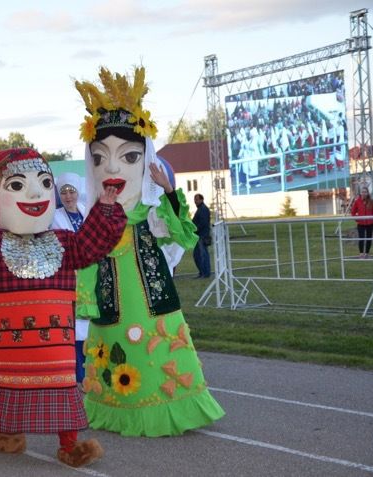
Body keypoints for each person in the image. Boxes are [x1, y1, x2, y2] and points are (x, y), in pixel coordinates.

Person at [0, 148, 126, 468]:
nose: (35, 192)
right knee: (9, 386)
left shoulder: (63, 241)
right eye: (17, 186)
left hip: (55, 342)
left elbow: (92, 245)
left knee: (62, 386)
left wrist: (106, 208)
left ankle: (70, 444)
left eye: (44, 183)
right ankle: (2, 430)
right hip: (11, 344)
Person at [74, 66, 225, 437]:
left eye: (128, 157)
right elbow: (85, 259)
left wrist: (169, 191)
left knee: (156, 353)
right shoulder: (96, 217)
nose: (111, 167)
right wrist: (87, 299)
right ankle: (116, 410)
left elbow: (186, 238)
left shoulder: (151, 211)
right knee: (117, 353)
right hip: (111, 305)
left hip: (153, 302)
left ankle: (167, 408)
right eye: (99, 158)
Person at [50, 172, 89, 385]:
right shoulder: (55, 217)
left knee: (91, 323)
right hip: (71, 276)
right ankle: (79, 376)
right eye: (63, 192)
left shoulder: (85, 211)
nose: (68, 196)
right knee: (76, 325)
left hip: (91, 275)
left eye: (71, 191)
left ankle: (93, 373)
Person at [351, 186, 373, 259]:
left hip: (370, 224)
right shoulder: (357, 201)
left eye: (365, 192)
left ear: (367, 193)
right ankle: (361, 254)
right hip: (361, 224)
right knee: (361, 238)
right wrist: (357, 219)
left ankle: (367, 254)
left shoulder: (371, 201)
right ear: (360, 193)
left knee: (369, 238)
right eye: (362, 192)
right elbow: (353, 212)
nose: (364, 193)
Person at [192, 194, 212, 278]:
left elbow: (203, 224)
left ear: (201, 200)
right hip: (198, 235)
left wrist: (194, 229)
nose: (195, 201)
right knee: (197, 255)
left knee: (203, 255)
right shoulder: (200, 209)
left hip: (202, 236)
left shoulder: (203, 209)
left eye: (197, 199)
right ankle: (202, 272)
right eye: (194, 199)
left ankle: (205, 273)